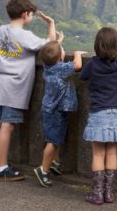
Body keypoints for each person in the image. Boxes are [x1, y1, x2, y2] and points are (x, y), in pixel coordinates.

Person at [0, 0, 56, 181]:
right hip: (14, 85)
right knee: (7, 126)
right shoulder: (24, 35)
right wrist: (51, 24)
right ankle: (3, 168)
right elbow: (50, 46)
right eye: (31, 15)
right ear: (25, 14)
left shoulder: (2, 29)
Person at [80, 6, 117, 204]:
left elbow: (82, 76)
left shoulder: (94, 64)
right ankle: (109, 193)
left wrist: (79, 57)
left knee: (98, 152)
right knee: (112, 151)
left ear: (98, 46)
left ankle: (96, 194)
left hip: (98, 113)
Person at [33, 37, 85, 187]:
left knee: (55, 137)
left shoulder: (47, 67)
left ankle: (54, 162)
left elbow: (51, 53)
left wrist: (59, 41)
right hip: (57, 111)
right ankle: (43, 169)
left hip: (49, 109)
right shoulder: (61, 69)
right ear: (60, 57)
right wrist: (77, 53)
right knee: (53, 141)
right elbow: (77, 65)